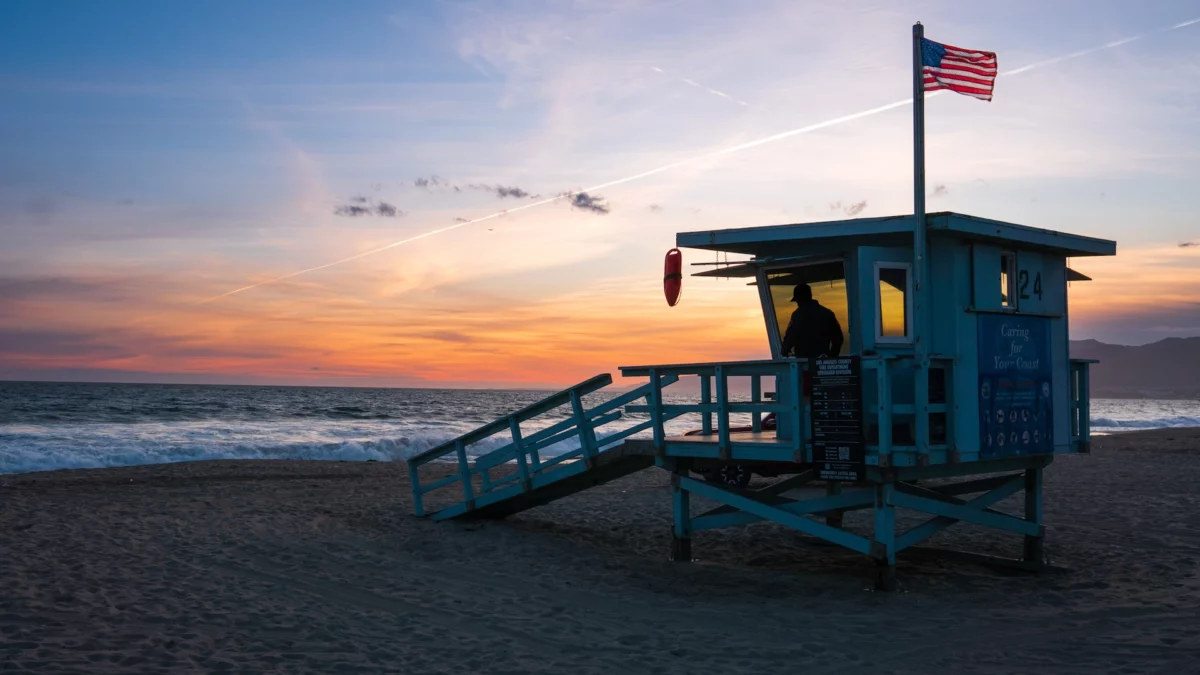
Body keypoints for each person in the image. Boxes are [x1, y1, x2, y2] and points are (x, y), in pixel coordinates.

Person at [780, 283, 844, 359]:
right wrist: (832, 357)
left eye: (797, 301)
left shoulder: (798, 314)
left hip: (804, 362)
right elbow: (838, 338)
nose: (797, 303)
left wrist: (784, 351)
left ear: (800, 299)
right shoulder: (827, 313)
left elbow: (791, 336)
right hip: (823, 364)